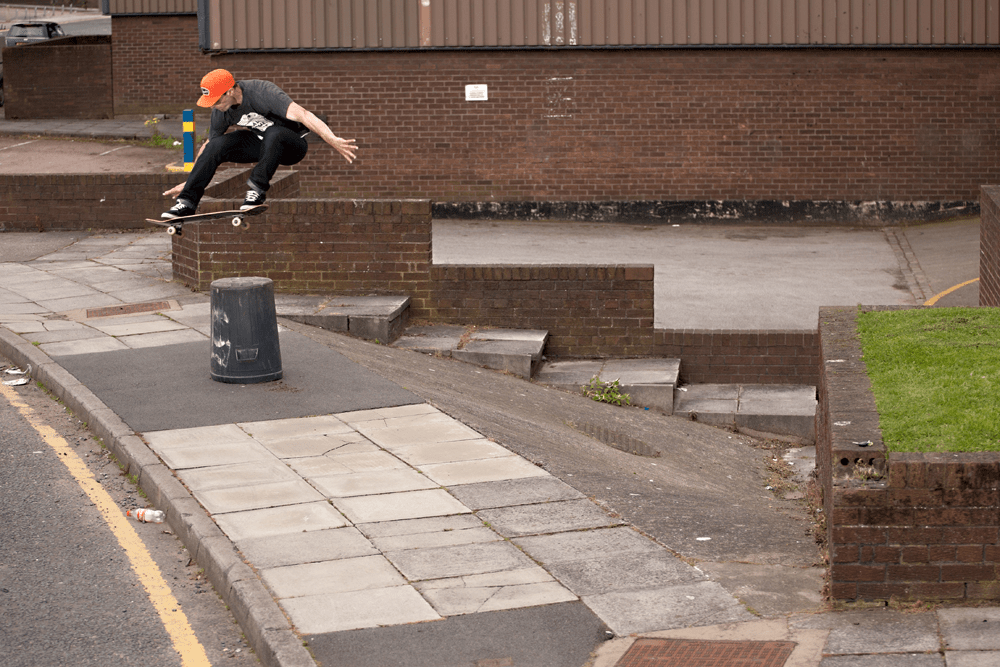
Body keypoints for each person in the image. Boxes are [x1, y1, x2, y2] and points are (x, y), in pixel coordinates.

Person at [161, 69, 357, 219]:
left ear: (230, 90)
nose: (214, 106)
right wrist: (191, 179)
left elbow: (304, 115)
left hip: (291, 145)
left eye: (216, 100)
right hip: (262, 145)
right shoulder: (221, 112)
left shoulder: (263, 92)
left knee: (274, 132)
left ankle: (256, 191)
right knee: (216, 144)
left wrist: (331, 139)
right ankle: (186, 203)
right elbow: (209, 147)